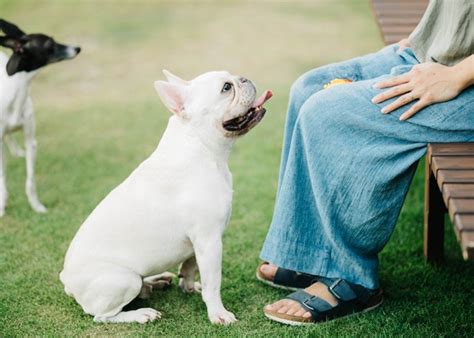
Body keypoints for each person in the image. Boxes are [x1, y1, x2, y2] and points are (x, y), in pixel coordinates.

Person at [257, 0, 474, 325]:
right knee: (308, 88)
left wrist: (458, 74)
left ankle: (352, 279)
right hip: (434, 53)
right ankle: (311, 253)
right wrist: (430, 36)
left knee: (326, 113)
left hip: (463, 79)